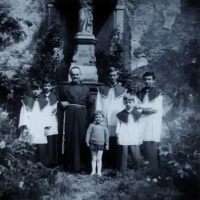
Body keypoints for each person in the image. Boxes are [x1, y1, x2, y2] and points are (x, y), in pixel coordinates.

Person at [58, 66, 93, 172]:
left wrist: (89, 118)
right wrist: (61, 103)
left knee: (82, 138)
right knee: (69, 137)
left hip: (82, 115)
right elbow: (57, 100)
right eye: (73, 74)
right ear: (70, 75)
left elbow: (90, 104)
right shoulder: (65, 88)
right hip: (69, 115)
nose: (75, 76)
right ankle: (69, 165)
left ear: (80, 75)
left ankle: (82, 165)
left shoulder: (86, 89)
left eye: (77, 74)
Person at [95, 67, 127, 169]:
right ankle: (104, 162)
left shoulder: (123, 90)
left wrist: (122, 118)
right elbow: (98, 104)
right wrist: (99, 116)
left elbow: (124, 105)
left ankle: (114, 163)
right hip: (105, 118)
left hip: (116, 119)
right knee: (104, 139)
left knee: (115, 141)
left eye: (114, 75)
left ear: (117, 76)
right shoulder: (102, 89)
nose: (112, 77)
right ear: (107, 76)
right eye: (110, 75)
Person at [18, 80, 51, 165]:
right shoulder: (26, 102)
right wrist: (25, 127)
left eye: (38, 89)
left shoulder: (45, 102)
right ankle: (29, 167)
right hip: (30, 127)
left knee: (41, 149)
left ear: (41, 90)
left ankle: (41, 168)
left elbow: (47, 115)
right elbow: (23, 115)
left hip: (40, 128)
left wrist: (47, 127)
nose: (36, 91)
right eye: (34, 89)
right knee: (29, 148)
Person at [136, 72, 163, 169]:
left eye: (149, 79)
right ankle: (143, 167)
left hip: (153, 121)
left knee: (151, 138)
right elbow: (136, 108)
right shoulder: (139, 93)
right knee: (142, 138)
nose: (147, 81)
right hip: (142, 120)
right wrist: (142, 110)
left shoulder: (158, 93)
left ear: (153, 80)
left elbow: (155, 108)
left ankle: (153, 167)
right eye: (145, 79)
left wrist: (141, 107)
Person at [116, 93, 142, 172]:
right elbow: (118, 126)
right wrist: (118, 135)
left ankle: (137, 170)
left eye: (130, 102)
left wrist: (139, 136)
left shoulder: (138, 114)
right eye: (126, 102)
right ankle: (123, 171)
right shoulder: (120, 114)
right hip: (124, 134)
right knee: (124, 154)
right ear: (123, 102)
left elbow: (140, 127)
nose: (128, 104)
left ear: (134, 103)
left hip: (134, 134)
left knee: (134, 153)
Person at [40, 77, 58, 167]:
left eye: (48, 85)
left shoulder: (54, 97)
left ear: (51, 87)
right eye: (45, 85)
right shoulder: (39, 96)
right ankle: (42, 161)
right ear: (42, 86)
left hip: (51, 120)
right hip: (41, 120)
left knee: (50, 140)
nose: (46, 87)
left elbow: (54, 110)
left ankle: (51, 162)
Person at [86, 110, 109, 176]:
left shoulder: (104, 127)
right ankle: (93, 171)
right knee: (93, 158)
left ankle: (99, 172)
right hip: (92, 143)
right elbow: (88, 133)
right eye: (96, 117)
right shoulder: (91, 125)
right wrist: (87, 141)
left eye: (99, 117)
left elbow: (107, 136)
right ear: (94, 118)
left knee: (99, 158)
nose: (98, 118)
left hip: (101, 144)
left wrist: (107, 144)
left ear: (102, 118)